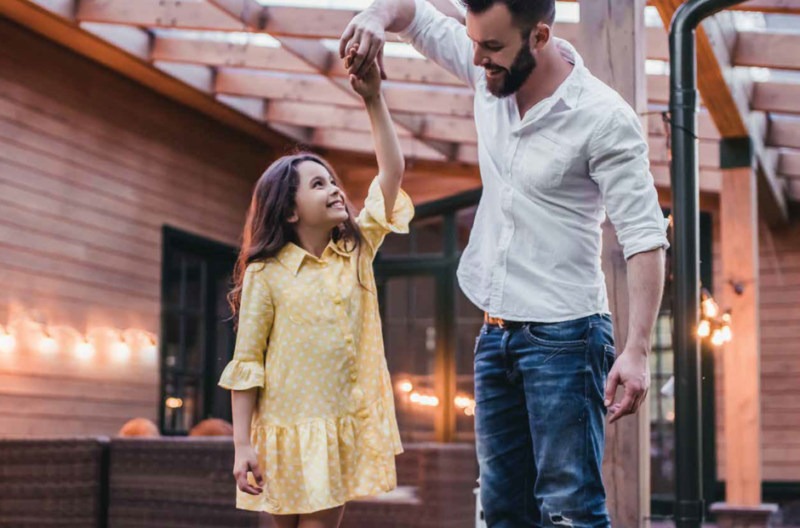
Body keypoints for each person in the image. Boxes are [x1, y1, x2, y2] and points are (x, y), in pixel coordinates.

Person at [340, 1, 669, 526]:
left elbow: (644, 237)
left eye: (492, 48)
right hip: (495, 334)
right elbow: (416, 13)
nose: (478, 58)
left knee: (569, 507)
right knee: (500, 509)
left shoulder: (603, 117)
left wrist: (637, 348)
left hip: (567, 337)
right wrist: (375, 19)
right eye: (474, 42)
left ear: (539, 36)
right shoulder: (485, 66)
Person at [217, 48, 413, 528]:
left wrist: (373, 99)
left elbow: (391, 173)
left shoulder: (357, 252)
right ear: (288, 211)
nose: (335, 190)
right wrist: (243, 444)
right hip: (282, 431)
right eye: (318, 185)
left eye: (332, 181)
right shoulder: (268, 273)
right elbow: (247, 365)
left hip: (334, 428)